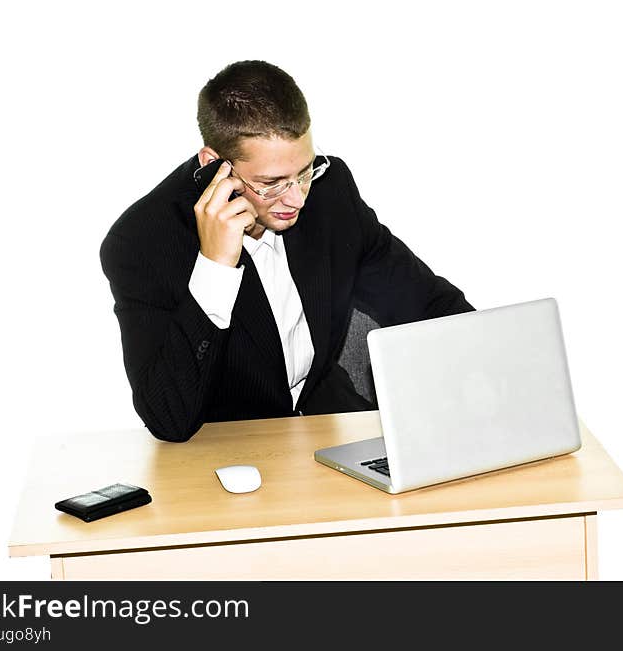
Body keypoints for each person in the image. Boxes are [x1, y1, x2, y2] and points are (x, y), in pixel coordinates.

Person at [100, 60, 473, 442]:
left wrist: (495, 363)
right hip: (228, 448)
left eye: (305, 171)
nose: (295, 198)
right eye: (271, 183)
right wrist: (215, 266)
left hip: (327, 426)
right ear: (215, 165)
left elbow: (426, 303)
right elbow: (168, 418)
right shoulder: (142, 242)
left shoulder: (330, 189)